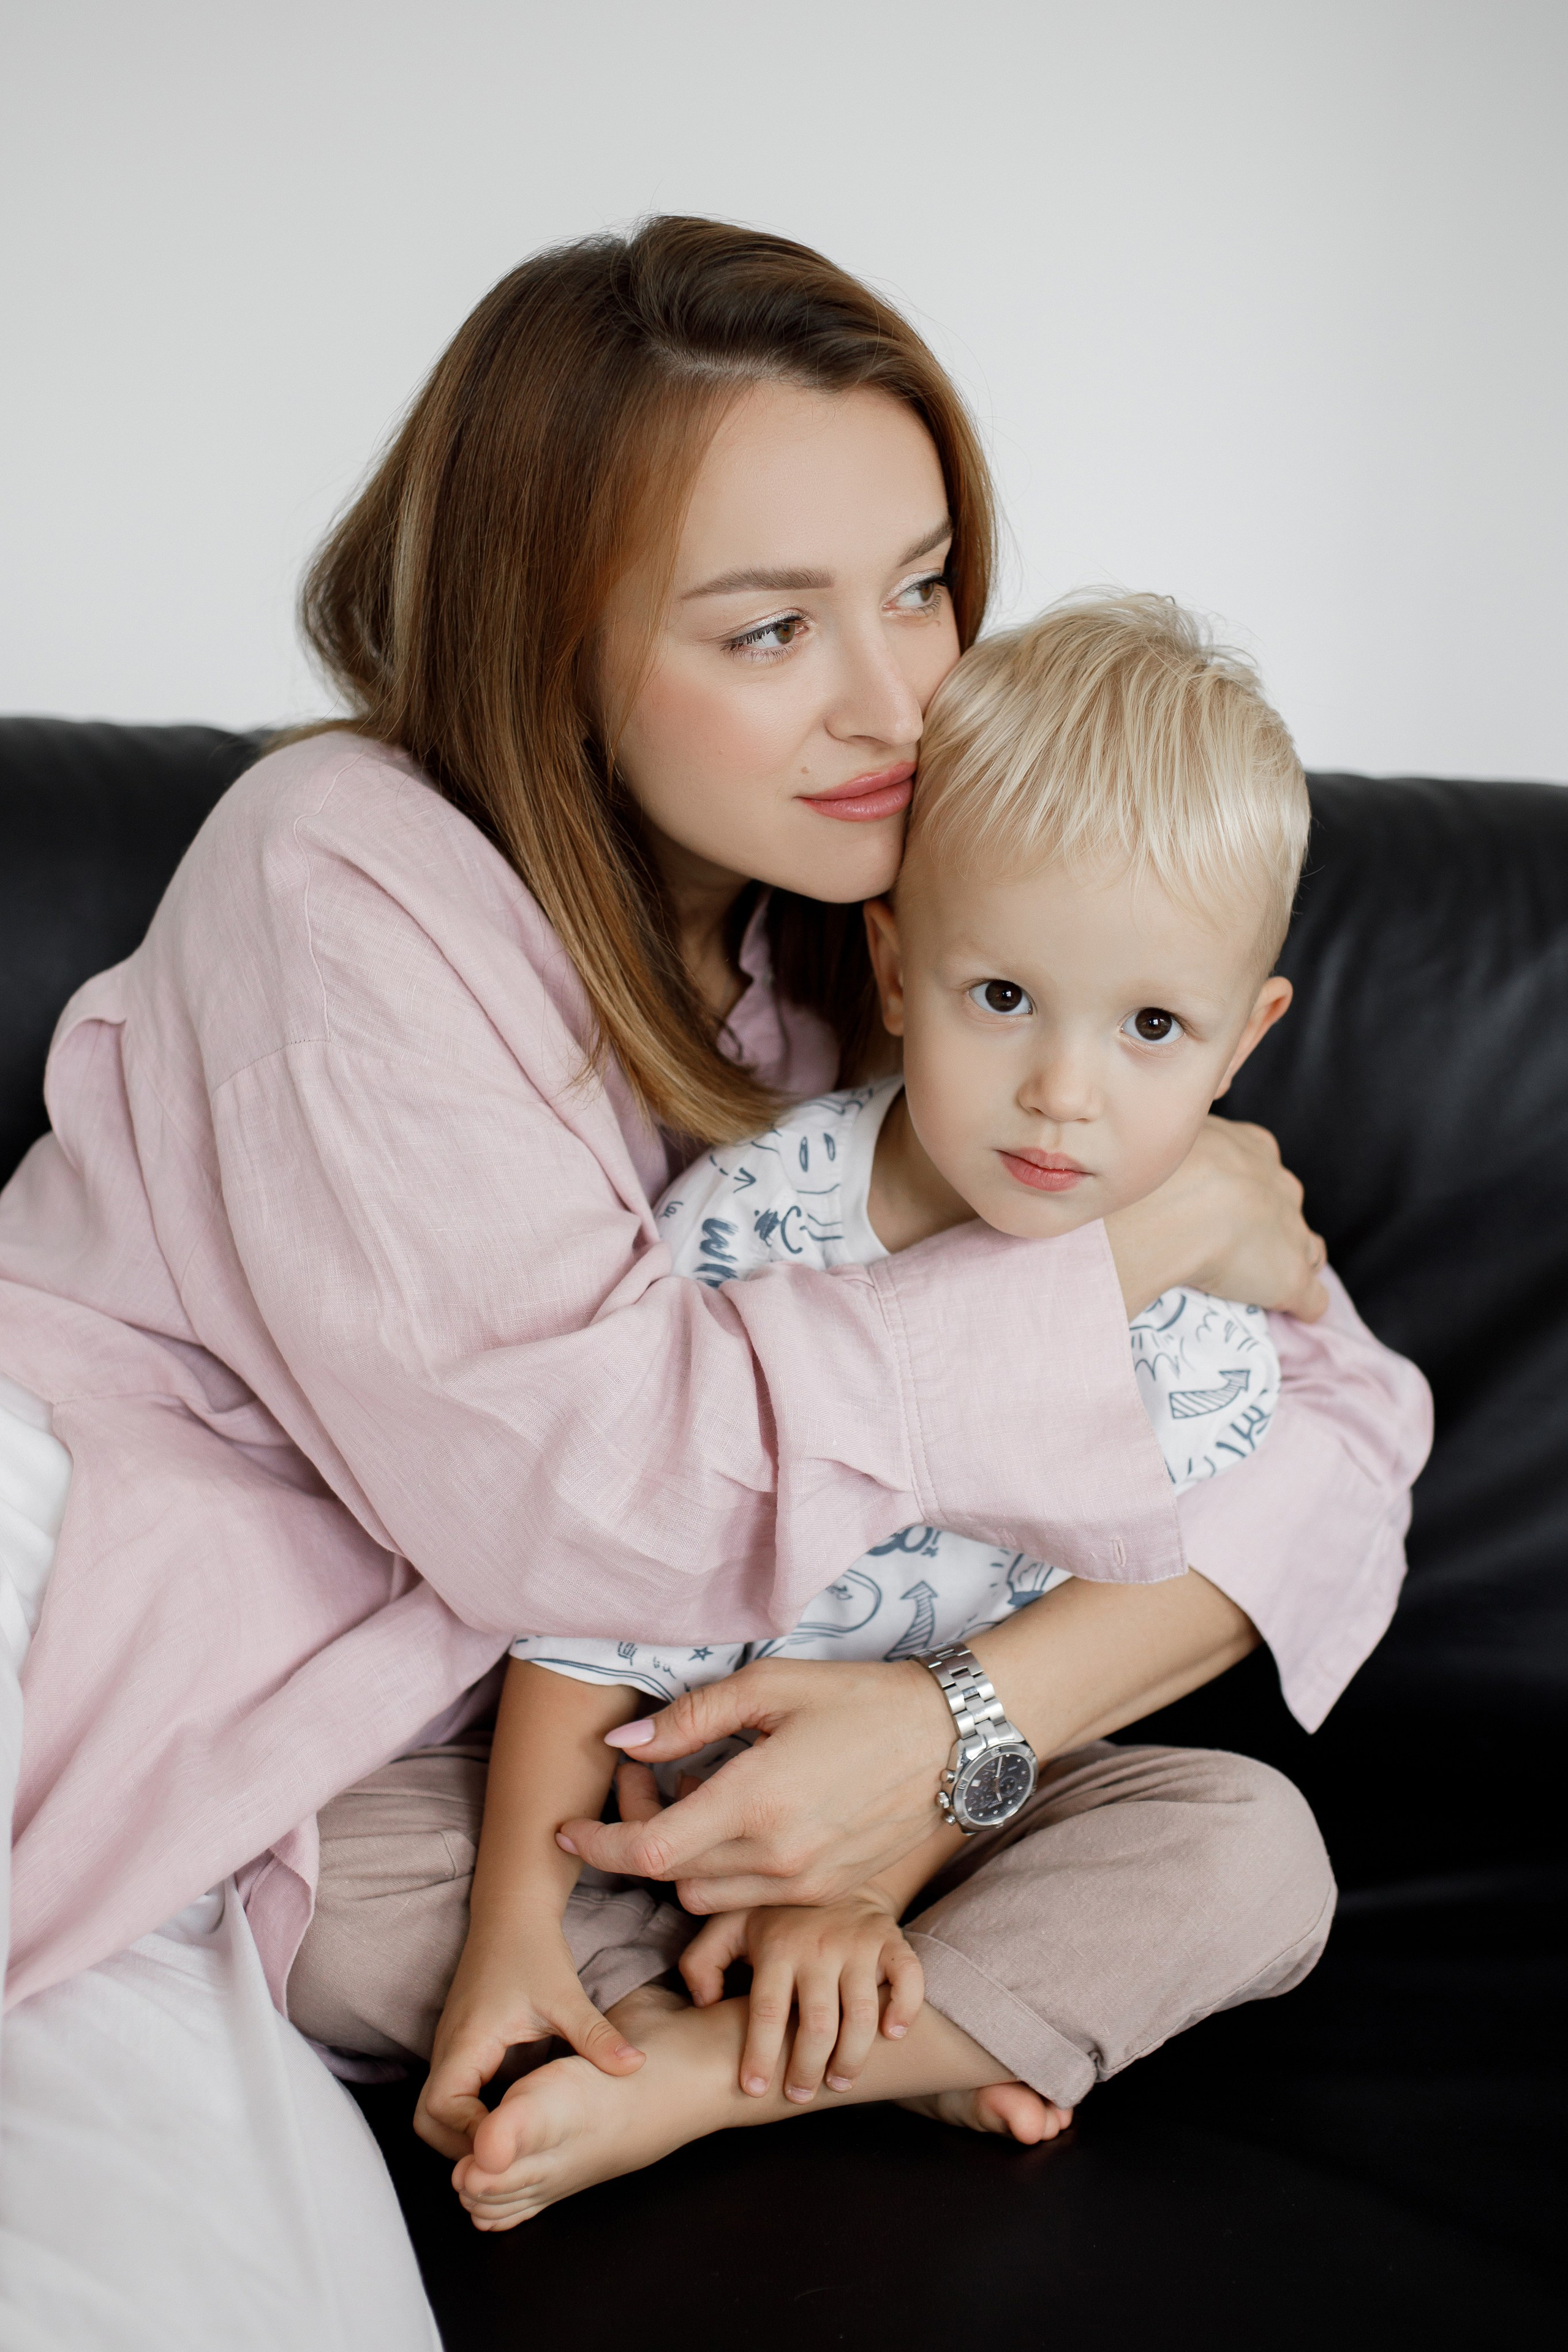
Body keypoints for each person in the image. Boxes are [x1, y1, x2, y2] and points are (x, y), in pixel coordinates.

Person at [0, 222, 1427, 2307]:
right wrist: (1147, 1247)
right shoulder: (344, 877)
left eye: (924, 583)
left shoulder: (920, 905)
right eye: (770, 631)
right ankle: (835, 2010)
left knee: (1241, 1854)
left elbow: (1348, 1426)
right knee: (323, 1944)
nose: (898, 699)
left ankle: (727, 2055)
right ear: (545, 633)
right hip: (356, 1704)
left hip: (800, 1709)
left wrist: (944, 1748)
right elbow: (592, 1505)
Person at [396, 592, 1392, 2231]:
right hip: (660, 1799)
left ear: (1243, 1043)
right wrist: (516, 1917)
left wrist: (883, 1871)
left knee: (1256, 1856)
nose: (1065, 1093)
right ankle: (893, 2034)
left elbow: (1096, 1658)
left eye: (1150, 1027)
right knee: (330, 1906)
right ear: (896, 964)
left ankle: (705, 2077)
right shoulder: (755, 1218)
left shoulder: (1207, 1324)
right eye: (1002, 997)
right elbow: (590, 1586)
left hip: (964, 1822)